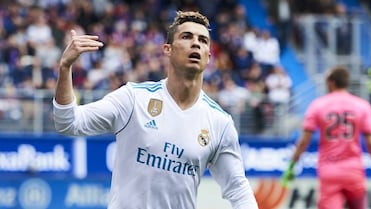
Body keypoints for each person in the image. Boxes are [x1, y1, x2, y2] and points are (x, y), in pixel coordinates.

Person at [53, 11, 258, 209]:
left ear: (209, 56)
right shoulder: (133, 98)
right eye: (186, 37)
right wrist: (65, 68)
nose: (196, 43)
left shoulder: (219, 123)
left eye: (203, 40)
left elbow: (239, 191)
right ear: (167, 49)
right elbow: (68, 122)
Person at [281, 66, 371, 209]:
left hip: (329, 171)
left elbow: (304, 141)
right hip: (353, 171)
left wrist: (292, 165)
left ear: (331, 82)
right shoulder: (362, 106)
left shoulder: (318, 105)